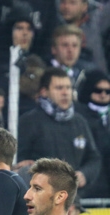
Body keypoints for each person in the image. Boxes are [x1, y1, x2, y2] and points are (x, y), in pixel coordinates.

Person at [17, 67, 101, 196]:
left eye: (68, 88)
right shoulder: (28, 121)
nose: (65, 92)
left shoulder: (79, 122)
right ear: (44, 92)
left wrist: (85, 175)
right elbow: (19, 161)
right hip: (40, 199)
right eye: (59, 88)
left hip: (74, 199)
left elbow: (94, 158)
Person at [74, 70, 110, 197]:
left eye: (107, 91)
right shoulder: (77, 117)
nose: (103, 95)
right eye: (98, 90)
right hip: (89, 187)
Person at [49, 25, 97, 92]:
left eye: (75, 45)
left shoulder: (85, 76)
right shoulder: (43, 70)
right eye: (65, 45)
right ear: (54, 49)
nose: (70, 50)